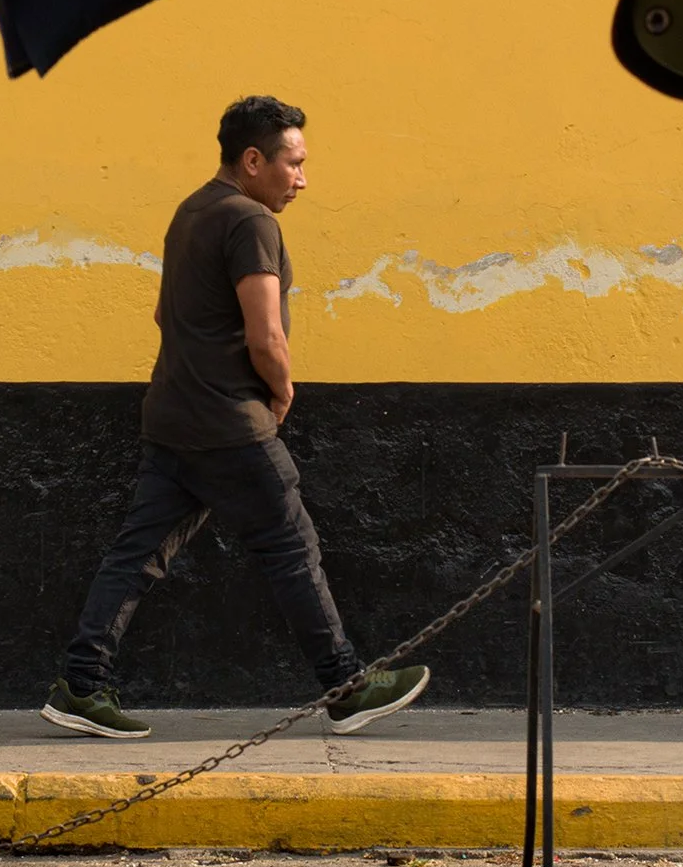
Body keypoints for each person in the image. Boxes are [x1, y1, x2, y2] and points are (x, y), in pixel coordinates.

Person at [40, 96, 430, 741]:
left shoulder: (191, 211)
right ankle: (346, 688)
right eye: (293, 164)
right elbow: (266, 333)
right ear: (253, 161)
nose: (302, 179)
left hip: (171, 415)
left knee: (135, 557)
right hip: (228, 423)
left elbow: (166, 317)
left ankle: (81, 687)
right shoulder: (251, 221)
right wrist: (280, 391)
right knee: (291, 550)